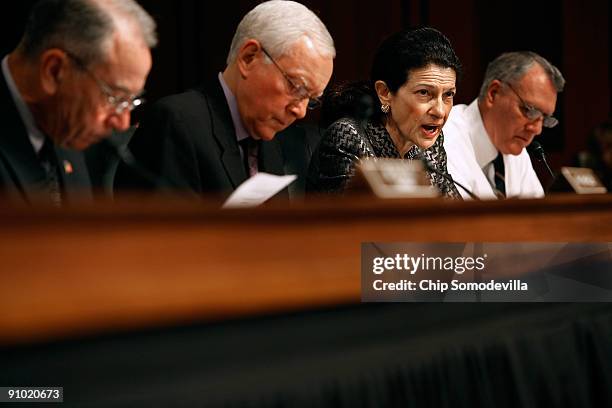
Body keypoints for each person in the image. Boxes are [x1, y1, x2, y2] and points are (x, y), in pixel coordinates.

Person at [114, 0, 335, 201]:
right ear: (249, 58)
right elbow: (160, 237)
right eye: (296, 87)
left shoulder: (269, 137)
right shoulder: (177, 123)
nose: (301, 111)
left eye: (311, 99)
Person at [0, 0, 156, 206]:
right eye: (115, 98)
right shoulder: (68, 121)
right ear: (54, 71)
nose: (122, 123)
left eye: (130, 101)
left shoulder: (69, 129)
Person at [307, 27, 461, 199]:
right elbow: (354, 223)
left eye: (448, 95)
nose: (440, 111)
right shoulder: (348, 137)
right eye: (424, 93)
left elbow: (457, 217)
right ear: (385, 92)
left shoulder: (430, 146)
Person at [443, 51, 565, 199]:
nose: (537, 129)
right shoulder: (443, 141)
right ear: (493, 93)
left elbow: (539, 217)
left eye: (544, 118)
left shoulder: (515, 147)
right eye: (530, 111)